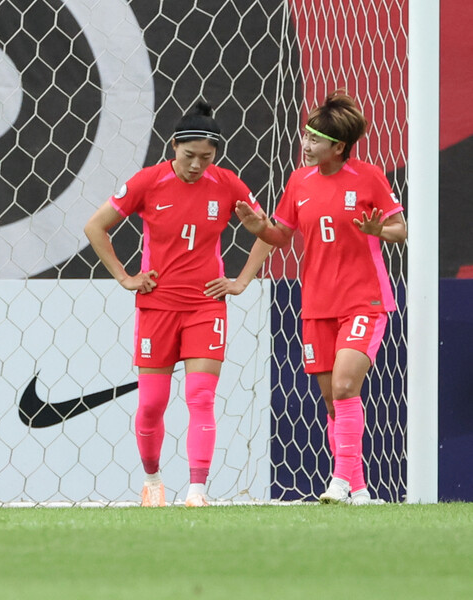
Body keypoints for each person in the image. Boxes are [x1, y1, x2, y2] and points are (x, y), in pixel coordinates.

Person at [84, 101, 263, 507]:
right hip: (157, 306)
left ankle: (197, 491)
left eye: (207, 157)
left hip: (206, 306)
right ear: (173, 147)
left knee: (200, 397)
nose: (197, 165)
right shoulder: (148, 181)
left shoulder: (229, 185)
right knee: (151, 403)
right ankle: (152, 483)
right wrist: (126, 278)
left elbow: (268, 231)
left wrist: (240, 281)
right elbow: (95, 227)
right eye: (189, 156)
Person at [234, 90, 407, 504]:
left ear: (339, 147)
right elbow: (280, 236)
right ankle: (361, 489)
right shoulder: (298, 181)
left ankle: (339, 482)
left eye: (315, 140)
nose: (306, 145)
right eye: (306, 136)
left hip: (364, 299)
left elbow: (400, 229)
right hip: (316, 304)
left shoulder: (368, 178)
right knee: (334, 401)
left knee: (347, 384)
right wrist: (256, 225)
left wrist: (376, 231)